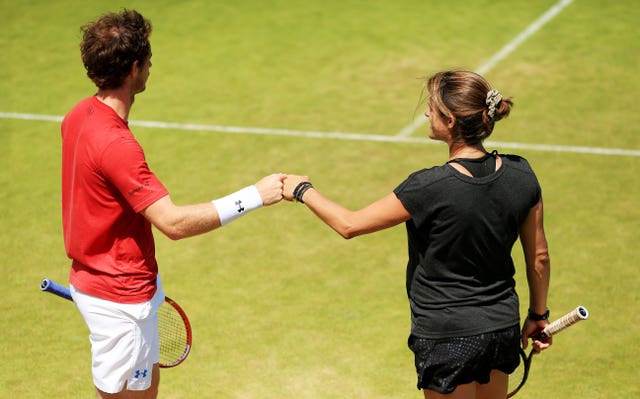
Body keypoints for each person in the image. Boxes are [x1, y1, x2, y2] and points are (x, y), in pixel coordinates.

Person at [283, 70, 552, 399]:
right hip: (501, 328)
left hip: (447, 336)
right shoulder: (522, 174)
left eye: (432, 108)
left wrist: (301, 189)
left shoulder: (429, 186)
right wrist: (538, 315)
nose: (426, 113)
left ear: (450, 121)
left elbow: (349, 225)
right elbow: (539, 256)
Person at [61, 9, 285, 399]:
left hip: (97, 281)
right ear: (134, 69)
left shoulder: (78, 115)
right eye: (148, 61)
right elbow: (173, 223)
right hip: (122, 297)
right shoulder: (118, 145)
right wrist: (255, 196)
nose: (151, 67)